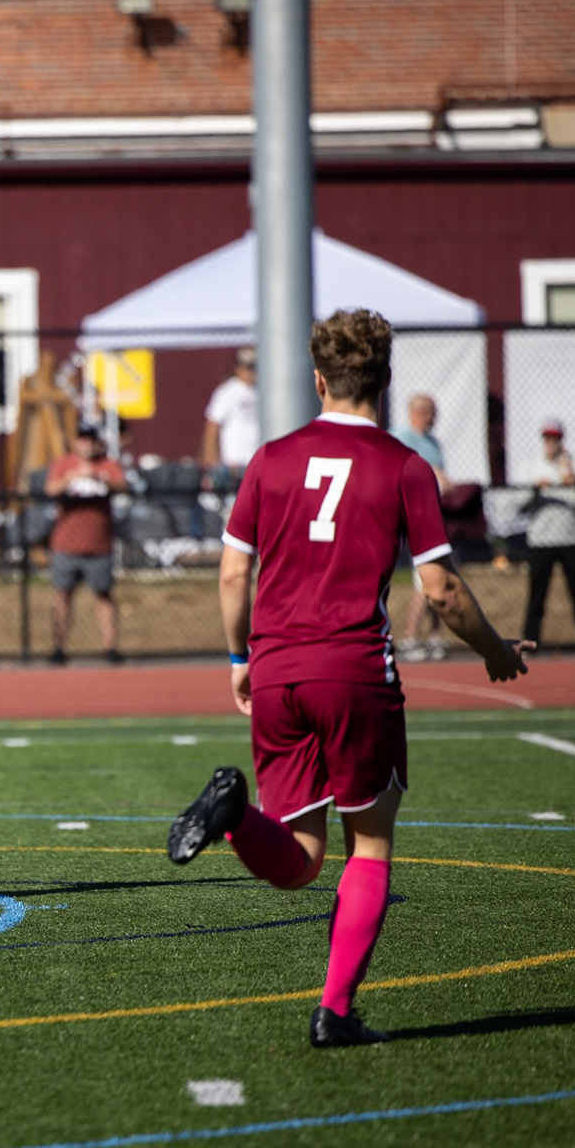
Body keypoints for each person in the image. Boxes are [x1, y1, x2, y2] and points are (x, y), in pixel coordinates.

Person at [165, 309, 528, 1047]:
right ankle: (334, 1012)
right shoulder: (402, 465)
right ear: (386, 381)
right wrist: (493, 648)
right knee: (372, 843)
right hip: (355, 669)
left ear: (320, 379)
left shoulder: (270, 458)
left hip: (276, 666)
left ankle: (235, 815)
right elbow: (443, 591)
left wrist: (240, 659)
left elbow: (235, 571)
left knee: (298, 860)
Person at [45, 422, 128, 665]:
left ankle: (110, 648)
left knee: (103, 596)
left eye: (91, 440)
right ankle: (58, 647)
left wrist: (97, 477)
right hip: (65, 544)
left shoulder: (107, 465)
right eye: (82, 439)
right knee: (62, 596)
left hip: (99, 544)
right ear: (74, 442)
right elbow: (50, 489)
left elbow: (122, 486)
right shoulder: (63, 464)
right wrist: (74, 477)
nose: (87, 444)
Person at [522, 419, 575, 651]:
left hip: (571, 538)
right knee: (536, 596)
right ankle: (530, 642)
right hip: (541, 540)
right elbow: (517, 504)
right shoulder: (532, 466)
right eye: (547, 438)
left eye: (555, 438)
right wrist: (535, 489)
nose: (551, 443)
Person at [391, 393, 453, 662]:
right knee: (425, 579)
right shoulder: (400, 437)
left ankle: (434, 635)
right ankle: (410, 636)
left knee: (437, 576)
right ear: (420, 412)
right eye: (431, 412)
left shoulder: (433, 443)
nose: (434, 418)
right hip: (408, 518)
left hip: (431, 516)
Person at [201, 346, 260, 477]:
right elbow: (213, 426)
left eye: (254, 367)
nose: (251, 372)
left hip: (259, 462)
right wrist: (212, 459)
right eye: (247, 368)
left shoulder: (264, 390)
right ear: (238, 368)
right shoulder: (227, 392)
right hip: (234, 465)